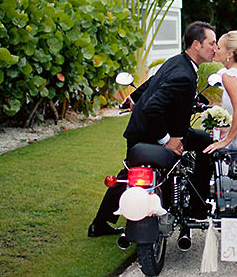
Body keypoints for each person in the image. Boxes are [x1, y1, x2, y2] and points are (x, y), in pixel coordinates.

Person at [87, 21, 218, 246]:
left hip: (145, 128)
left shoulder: (179, 62)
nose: (215, 48)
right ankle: (198, 207)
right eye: (212, 43)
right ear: (197, 44)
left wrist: (134, 98)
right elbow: (153, 107)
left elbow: (152, 82)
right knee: (206, 143)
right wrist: (167, 140)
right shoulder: (184, 74)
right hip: (154, 131)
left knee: (126, 175)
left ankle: (100, 223)